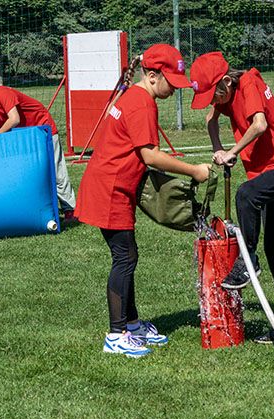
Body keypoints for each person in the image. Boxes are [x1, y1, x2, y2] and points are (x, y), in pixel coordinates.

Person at [74, 44, 211, 358]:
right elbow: (149, 155)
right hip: (110, 190)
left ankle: (131, 324)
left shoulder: (137, 97)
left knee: (128, 256)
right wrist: (194, 171)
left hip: (114, 187)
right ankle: (116, 333)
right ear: (151, 76)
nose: (173, 89)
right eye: (170, 82)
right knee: (124, 258)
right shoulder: (141, 103)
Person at [189, 51, 274, 344]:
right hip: (264, 172)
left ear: (227, 82)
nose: (213, 102)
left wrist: (232, 151)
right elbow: (210, 119)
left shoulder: (250, 84)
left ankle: (247, 259)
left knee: (246, 196)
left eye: (214, 95)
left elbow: (259, 124)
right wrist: (218, 149)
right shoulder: (225, 97)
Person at [0, 82, 77, 224]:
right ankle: (41, 210)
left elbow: (14, 119)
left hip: (43, 128)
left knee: (56, 171)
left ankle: (71, 210)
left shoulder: (2, 93)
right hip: (24, 138)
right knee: (35, 175)